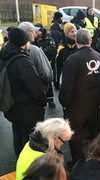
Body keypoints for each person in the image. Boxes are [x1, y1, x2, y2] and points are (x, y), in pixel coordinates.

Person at [59, 29, 100, 169]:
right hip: (94, 102)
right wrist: (99, 100)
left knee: (76, 132)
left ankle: (78, 162)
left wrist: (65, 103)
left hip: (77, 104)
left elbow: (67, 86)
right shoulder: (99, 57)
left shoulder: (73, 59)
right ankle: (97, 157)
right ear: (90, 40)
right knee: (95, 131)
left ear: (76, 41)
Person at [0, 28, 47, 158]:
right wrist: (43, 102)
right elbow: (35, 86)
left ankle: (19, 160)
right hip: (27, 110)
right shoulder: (22, 61)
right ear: (23, 43)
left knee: (17, 135)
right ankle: (29, 168)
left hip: (12, 106)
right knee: (29, 140)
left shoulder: (4, 55)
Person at [18, 21, 53, 93]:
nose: (35, 34)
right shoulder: (34, 50)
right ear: (26, 33)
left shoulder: (8, 48)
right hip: (34, 93)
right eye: (32, 31)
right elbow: (46, 75)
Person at [33, 23, 57, 108]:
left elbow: (53, 49)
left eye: (38, 30)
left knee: (48, 81)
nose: (36, 32)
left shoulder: (48, 39)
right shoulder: (33, 40)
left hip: (48, 63)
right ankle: (41, 100)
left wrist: (42, 51)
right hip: (36, 64)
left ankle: (50, 100)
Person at [53, 22, 77, 89]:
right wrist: (56, 81)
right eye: (72, 32)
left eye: (75, 31)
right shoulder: (62, 47)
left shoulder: (79, 45)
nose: (75, 34)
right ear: (66, 34)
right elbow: (58, 65)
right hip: (67, 78)